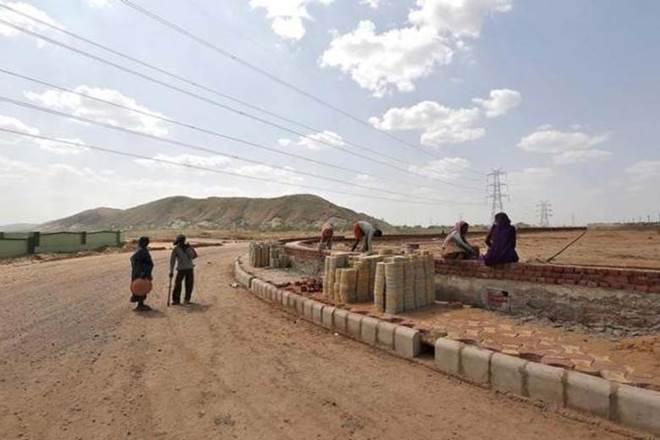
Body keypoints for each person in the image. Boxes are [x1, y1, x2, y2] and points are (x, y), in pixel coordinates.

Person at [169, 235, 198, 305]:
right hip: (182, 269)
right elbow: (172, 261)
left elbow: (194, 256)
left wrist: (190, 248)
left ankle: (186, 299)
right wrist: (171, 271)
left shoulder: (188, 248)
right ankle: (176, 300)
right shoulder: (176, 249)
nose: (182, 242)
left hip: (189, 268)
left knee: (189, 285)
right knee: (178, 285)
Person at [130, 236, 153, 311]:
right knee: (141, 288)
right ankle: (140, 305)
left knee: (142, 287)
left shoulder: (142, 249)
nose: (147, 243)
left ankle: (141, 304)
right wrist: (142, 272)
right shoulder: (141, 251)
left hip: (141, 272)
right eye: (146, 242)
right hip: (141, 273)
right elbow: (136, 261)